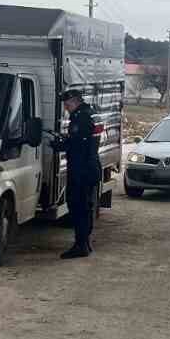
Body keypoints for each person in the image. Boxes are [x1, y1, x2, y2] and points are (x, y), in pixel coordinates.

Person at [52, 89, 100, 258]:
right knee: (85, 207)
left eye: (67, 105)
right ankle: (85, 243)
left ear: (74, 101)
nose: (66, 108)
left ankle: (81, 246)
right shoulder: (90, 113)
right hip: (90, 167)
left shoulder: (81, 117)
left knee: (78, 207)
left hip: (82, 170)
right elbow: (80, 141)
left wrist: (60, 145)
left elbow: (77, 145)